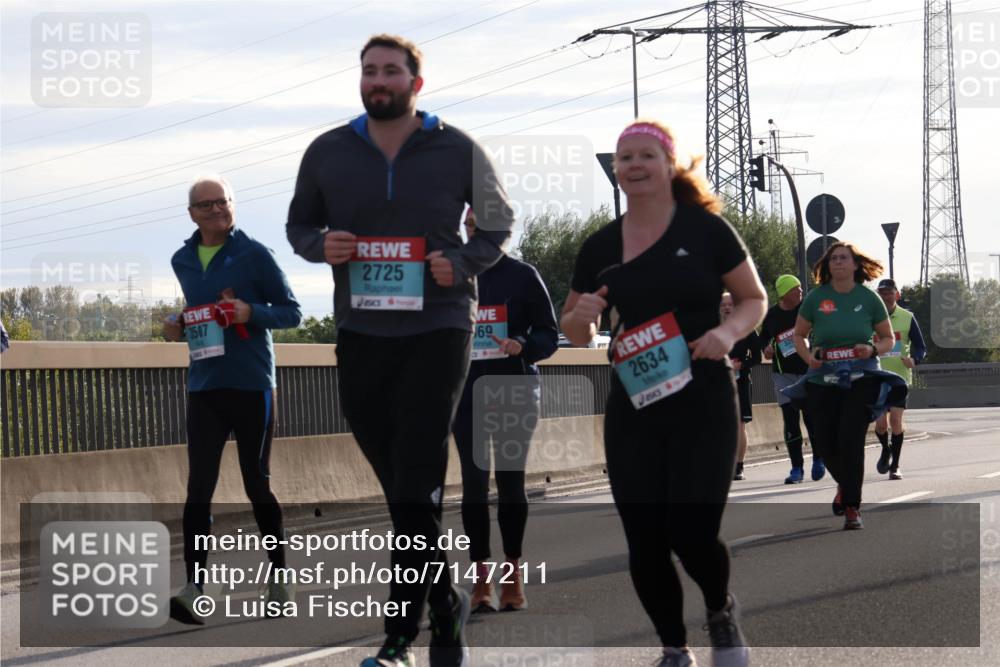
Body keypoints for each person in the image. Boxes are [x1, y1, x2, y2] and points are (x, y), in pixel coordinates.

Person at [286, 34, 514, 667]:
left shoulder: (457, 148)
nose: (378, 80)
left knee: (413, 479)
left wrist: (460, 263)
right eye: (369, 71)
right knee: (402, 488)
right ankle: (446, 600)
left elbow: (498, 223)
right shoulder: (328, 150)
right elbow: (299, 225)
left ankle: (399, 636)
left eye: (390, 70)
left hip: (439, 328)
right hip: (362, 332)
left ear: (416, 82)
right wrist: (321, 246)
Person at [561, 119, 766, 667]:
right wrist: (581, 317)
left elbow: (753, 299)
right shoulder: (600, 245)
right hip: (636, 404)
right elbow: (576, 330)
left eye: (646, 155)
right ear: (616, 169)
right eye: (625, 157)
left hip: (702, 396)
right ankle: (674, 648)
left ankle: (720, 611)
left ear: (669, 165)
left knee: (692, 531)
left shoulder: (705, 230)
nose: (634, 164)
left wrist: (726, 334)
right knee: (645, 537)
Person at [165, 175, 303, 624]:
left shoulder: (255, 253)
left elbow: (293, 312)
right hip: (204, 385)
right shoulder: (182, 259)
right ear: (192, 214)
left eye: (222, 201)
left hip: (251, 384)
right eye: (206, 205)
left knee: (256, 483)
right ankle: (194, 588)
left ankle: (279, 578)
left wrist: (249, 311)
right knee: (198, 489)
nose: (216, 209)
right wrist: (177, 324)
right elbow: (198, 311)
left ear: (232, 204)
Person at [453, 210, 558, 613]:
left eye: (482, 226)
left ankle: (512, 574)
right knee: (474, 485)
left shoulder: (523, 276)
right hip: (466, 393)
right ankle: (481, 577)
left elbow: (548, 334)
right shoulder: (453, 274)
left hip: (514, 388)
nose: (475, 232)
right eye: (469, 226)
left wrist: (522, 345)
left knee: (511, 484)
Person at [787, 242, 907, 530]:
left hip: (860, 378)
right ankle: (846, 484)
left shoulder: (868, 298)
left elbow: (888, 338)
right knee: (824, 442)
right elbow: (799, 336)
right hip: (822, 378)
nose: (838, 262)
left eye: (844, 258)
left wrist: (872, 349)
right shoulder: (816, 298)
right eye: (833, 259)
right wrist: (809, 357)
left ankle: (852, 506)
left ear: (855, 265)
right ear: (828, 266)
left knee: (851, 441)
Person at [759, 274, 825, 484]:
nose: (801, 291)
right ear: (784, 293)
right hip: (783, 373)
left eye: (800, 288)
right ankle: (797, 468)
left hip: (808, 370)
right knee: (790, 418)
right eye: (796, 289)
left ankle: (818, 458)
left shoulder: (806, 309)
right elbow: (763, 338)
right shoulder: (772, 315)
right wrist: (766, 348)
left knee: (811, 417)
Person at [873, 278, 926, 479]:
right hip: (876, 378)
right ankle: (886, 449)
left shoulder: (907, 317)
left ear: (897, 295)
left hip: (899, 378)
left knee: (895, 421)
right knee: (880, 425)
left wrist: (915, 359)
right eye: (882, 293)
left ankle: (895, 466)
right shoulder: (870, 318)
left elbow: (921, 347)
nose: (886, 297)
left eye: (889, 293)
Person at [720, 292, 760, 481]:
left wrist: (741, 365)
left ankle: (739, 466)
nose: (727, 308)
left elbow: (757, 357)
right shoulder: (713, 329)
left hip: (741, 381)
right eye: (723, 305)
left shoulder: (747, 329)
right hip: (718, 383)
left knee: (739, 425)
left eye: (731, 304)